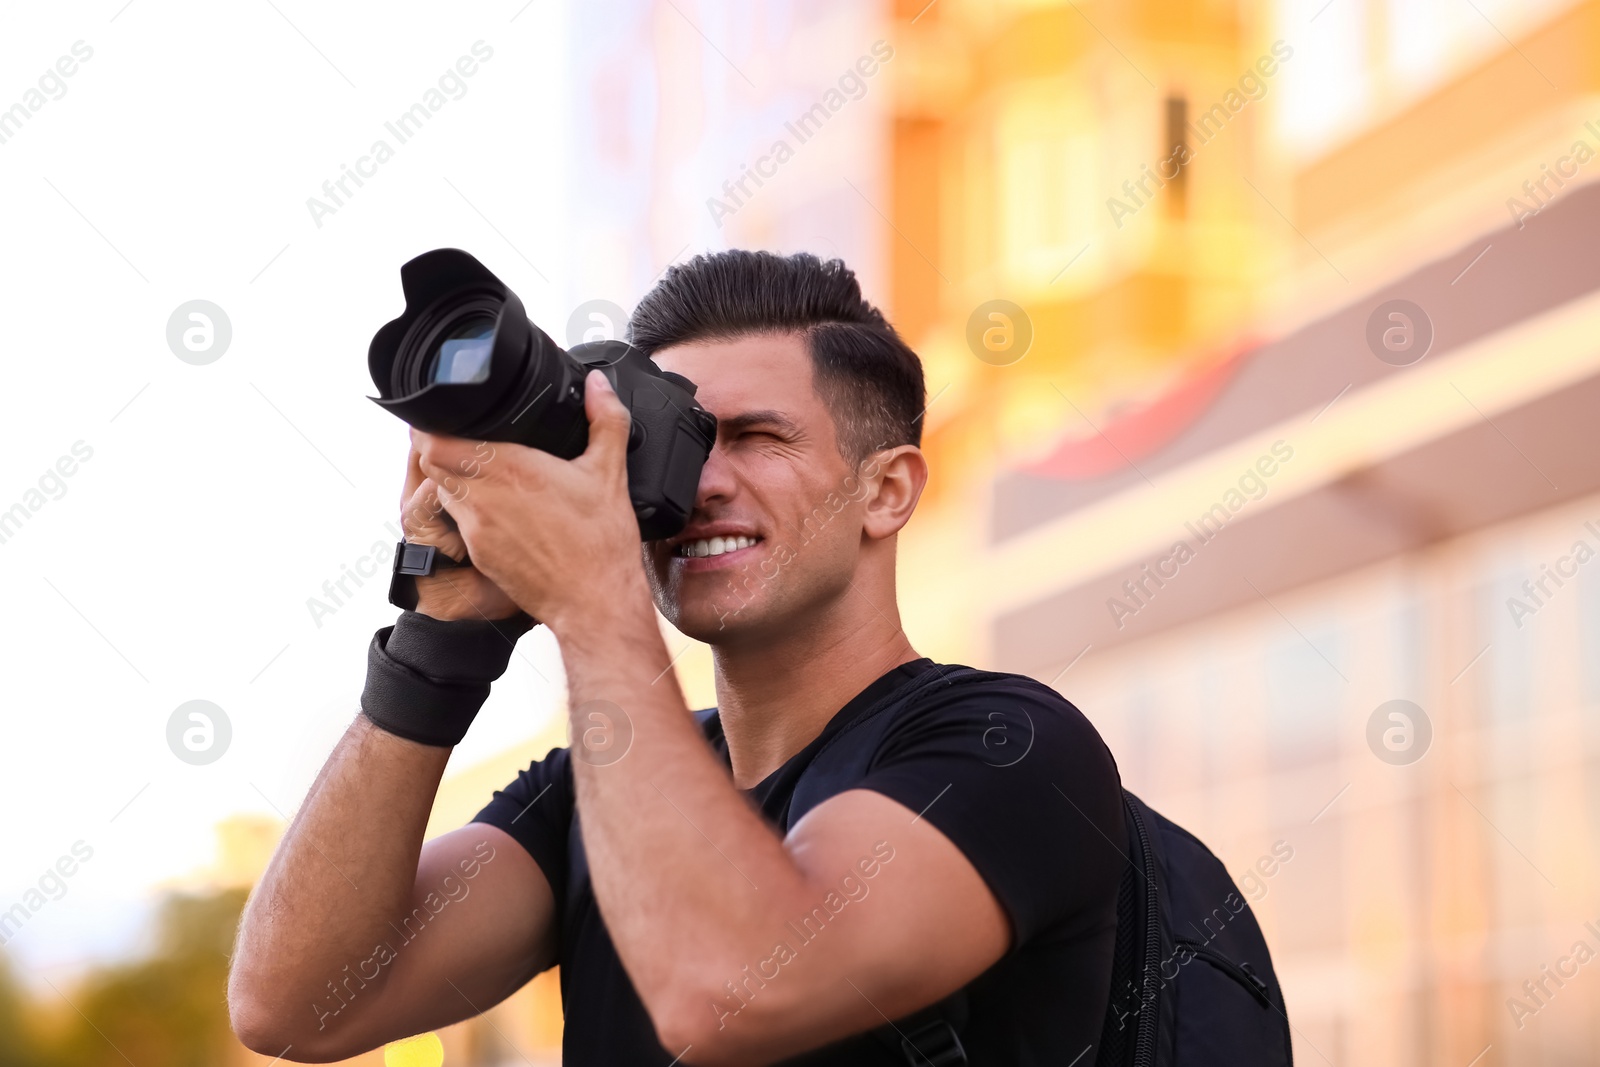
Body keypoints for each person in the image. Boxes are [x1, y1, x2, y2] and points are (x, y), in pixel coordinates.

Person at [228, 251, 1126, 1065]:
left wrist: (590, 591)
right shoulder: (593, 792)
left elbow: (727, 990)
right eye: (674, 441)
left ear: (885, 490)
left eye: (758, 438)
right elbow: (294, 1007)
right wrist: (439, 646)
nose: (701, 485)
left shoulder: (1010, 746)